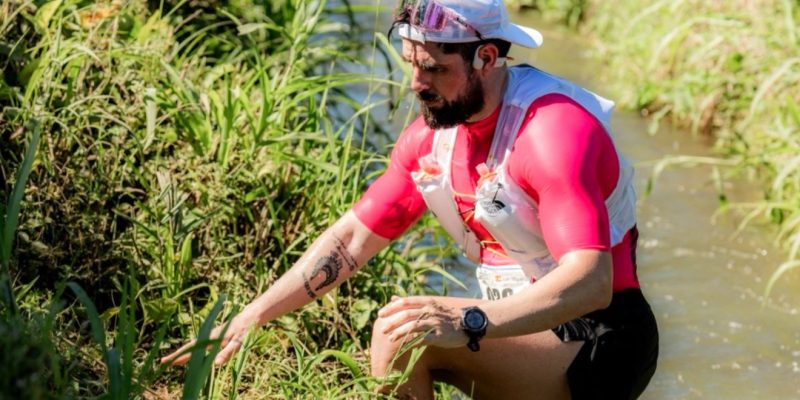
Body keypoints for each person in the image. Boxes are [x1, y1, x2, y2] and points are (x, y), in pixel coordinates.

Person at [162, 0, 659, 398]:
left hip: (599, 339)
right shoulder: (432, 138)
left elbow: (591, 282)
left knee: (403, 332)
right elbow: (353, 238)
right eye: (411, 66)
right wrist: (250, 318)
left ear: (486, 57)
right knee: (408, 329)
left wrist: (466, 320)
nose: (417, 85)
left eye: (435, 69)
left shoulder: (552, 131)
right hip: (515, 330)